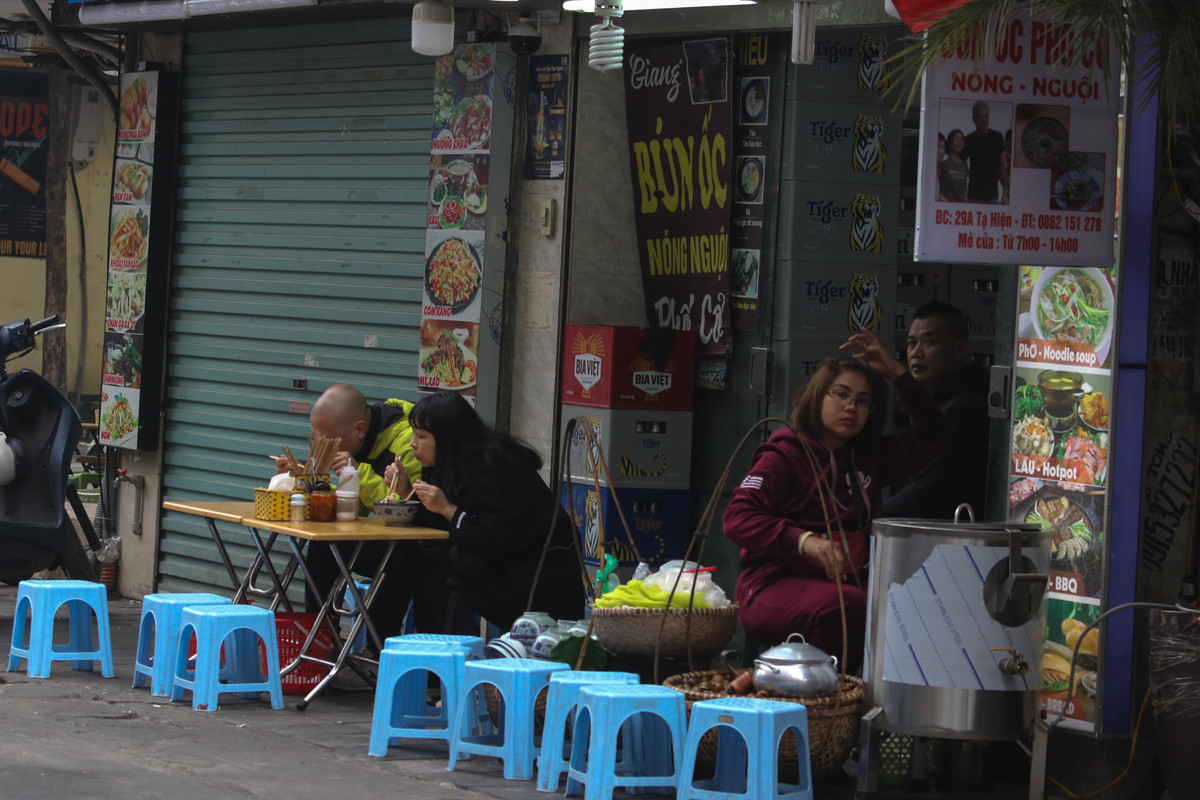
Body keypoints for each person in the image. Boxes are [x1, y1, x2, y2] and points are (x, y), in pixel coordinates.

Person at [721, 330, 944, 672]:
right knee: (848, 606)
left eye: (863, 400)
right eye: (841, 394)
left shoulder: (869, 457)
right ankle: (823, 704)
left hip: (850, 581)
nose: (851, 406)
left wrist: (896, 372)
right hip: (771, 585)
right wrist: (804, 541)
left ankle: (883, 712)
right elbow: (737, 518)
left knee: (922, 601)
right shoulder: (784, 453)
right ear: (817, 397)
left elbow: (932, 435)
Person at [384, 390, 587, 632]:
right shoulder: (445, 464)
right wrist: (406, 490)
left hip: (537, 572)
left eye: (421, 436)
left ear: (447, 437)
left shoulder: (493, 463)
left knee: (439, 566)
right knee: (409, 560)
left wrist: (447, 508)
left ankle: (455, 651)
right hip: (501, 565)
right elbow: (436, 530)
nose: (412, 443)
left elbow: (492, 536)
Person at [276, 384, 447, 640]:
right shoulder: (360, 443)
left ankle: (378, 649)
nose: (323, 449)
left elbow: (406, 510)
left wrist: (358, 473)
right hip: (386, 540)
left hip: (423, 545)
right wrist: (304, 480)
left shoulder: (406, 444)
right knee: (324, 543)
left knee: (395, 557)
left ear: (360, 429)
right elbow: (352, 507)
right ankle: (321, 636)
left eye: (329, 442)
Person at [883, 302, 990, 520]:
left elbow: (926, 492)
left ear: (959, 349)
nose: (916, 353)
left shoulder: (966, 407)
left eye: (929, 342)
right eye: (912, 343)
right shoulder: (935, 401)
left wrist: (870, 517)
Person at [963, 101, 1007, 203]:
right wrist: (964, 194)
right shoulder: (968, 140)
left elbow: (1003, 166)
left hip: (993, 196)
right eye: (980, 117)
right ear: (974, 119)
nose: (984, 120)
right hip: (973, 195)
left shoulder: (997, 137)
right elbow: (961, 169)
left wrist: (1005, 193)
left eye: (986, 116)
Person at [938, 129, 969, 203]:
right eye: (956, 139)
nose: (959, 142)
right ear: (950, 141)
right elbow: (933, 187)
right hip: (946, 206)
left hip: (960, 207)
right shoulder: (943, 163)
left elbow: (964, 188)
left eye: (961, 139)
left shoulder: (965, 164)